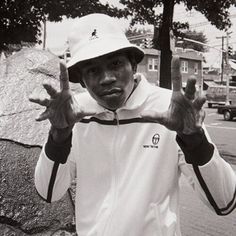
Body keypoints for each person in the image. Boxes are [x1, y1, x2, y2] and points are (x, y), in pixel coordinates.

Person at [30, 13, 236, 236]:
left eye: (116, 63)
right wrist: (59, 135)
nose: (107, 77)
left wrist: (194, 140)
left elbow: (224, 202)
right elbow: (48, 192)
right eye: (92, 70)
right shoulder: (75, 114)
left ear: (134, 65)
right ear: (82, 79)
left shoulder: (170, 110)